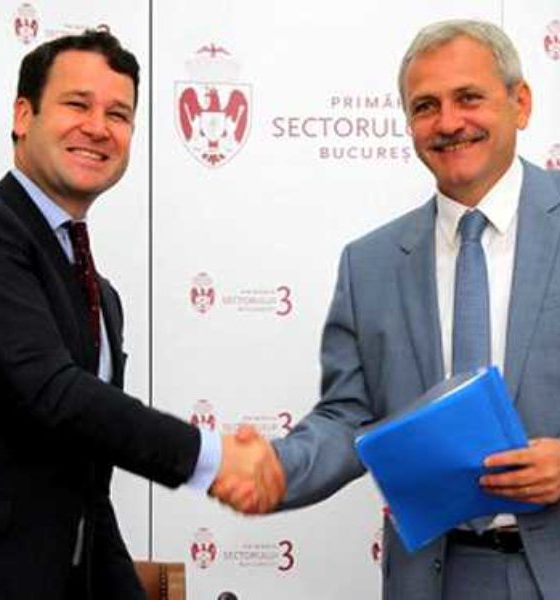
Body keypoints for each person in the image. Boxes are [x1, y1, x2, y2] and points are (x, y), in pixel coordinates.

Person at [221, 18, 560, 599]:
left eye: (469, 97)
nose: (448, 122)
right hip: (429, 579)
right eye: (426, 106)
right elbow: (348, 419)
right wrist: (274, 469)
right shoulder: (369, 264)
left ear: (520, 103)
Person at [0, 30, 283, 600]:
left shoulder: (100, 295)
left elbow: (87, 490)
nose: (98, 128)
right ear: (24, 116)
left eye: (118, 114)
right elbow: (53, 391)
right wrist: (212, 458)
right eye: (77, 104)